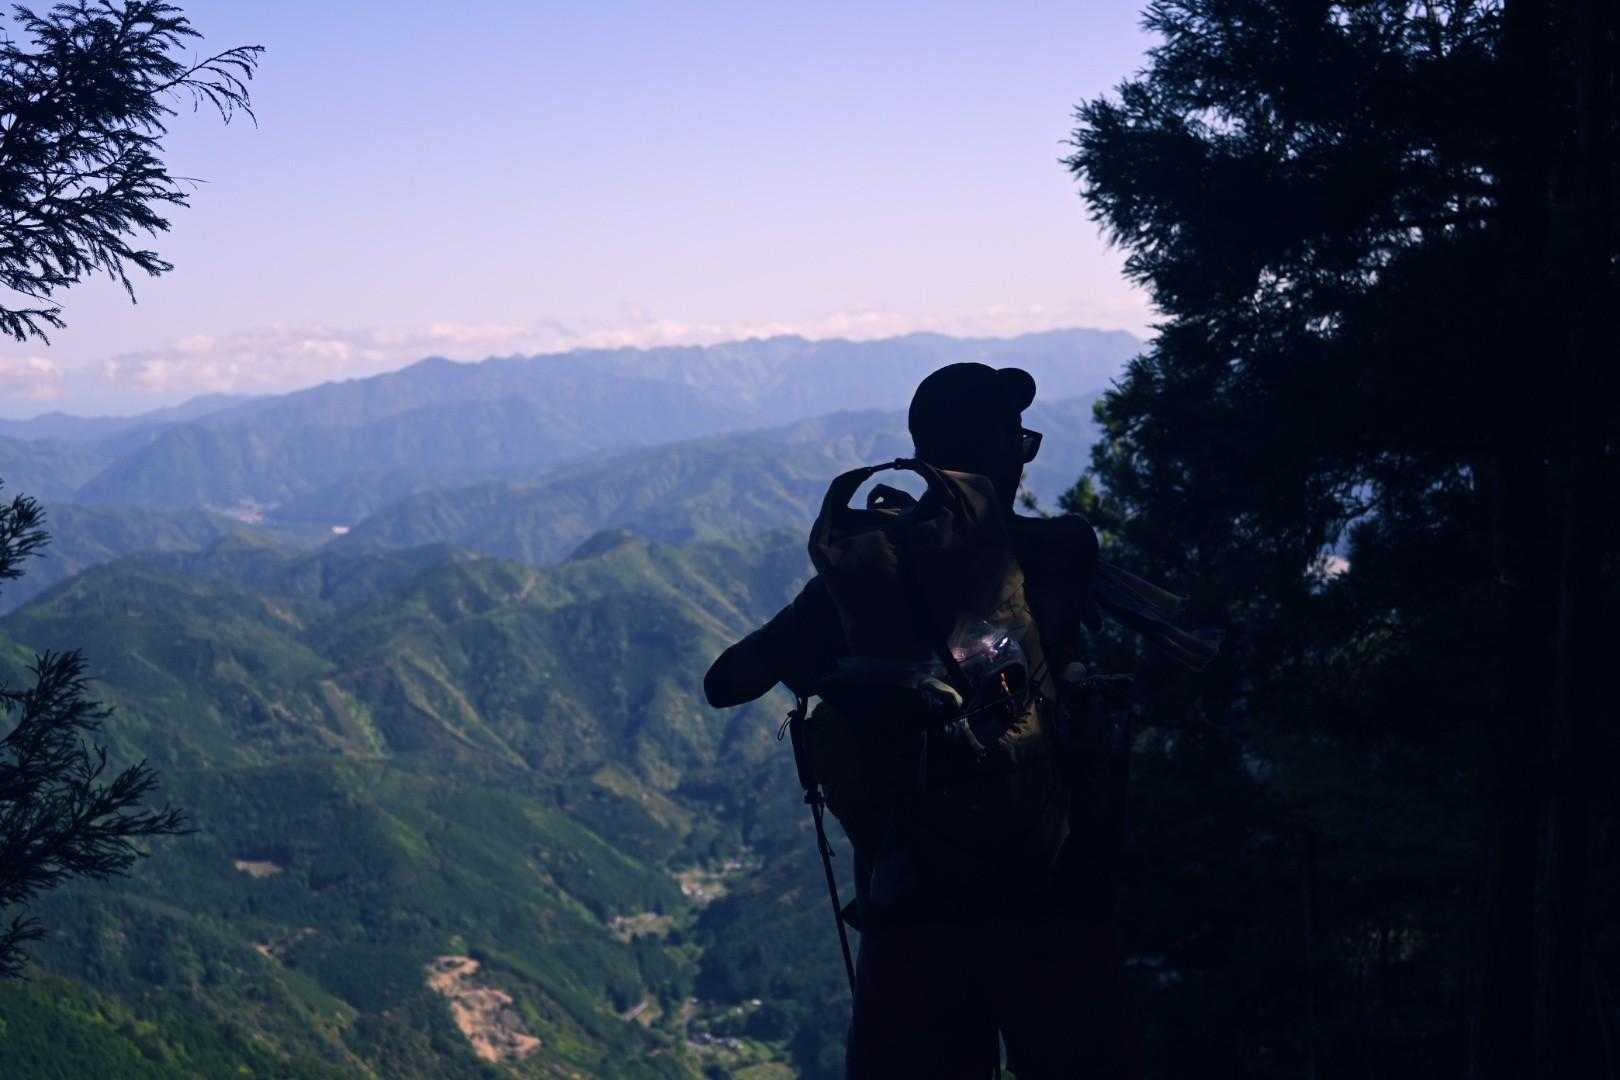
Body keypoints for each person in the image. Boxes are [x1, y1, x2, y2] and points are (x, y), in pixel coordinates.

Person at [705, 362, 1162, 1078]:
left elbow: (726, 683)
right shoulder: (1061, 551)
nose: (1026, 455)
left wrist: (835, 627)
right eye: (1022, 441)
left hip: (910, 908)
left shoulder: (866, 585)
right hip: (1049, 896)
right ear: (1002, 458)